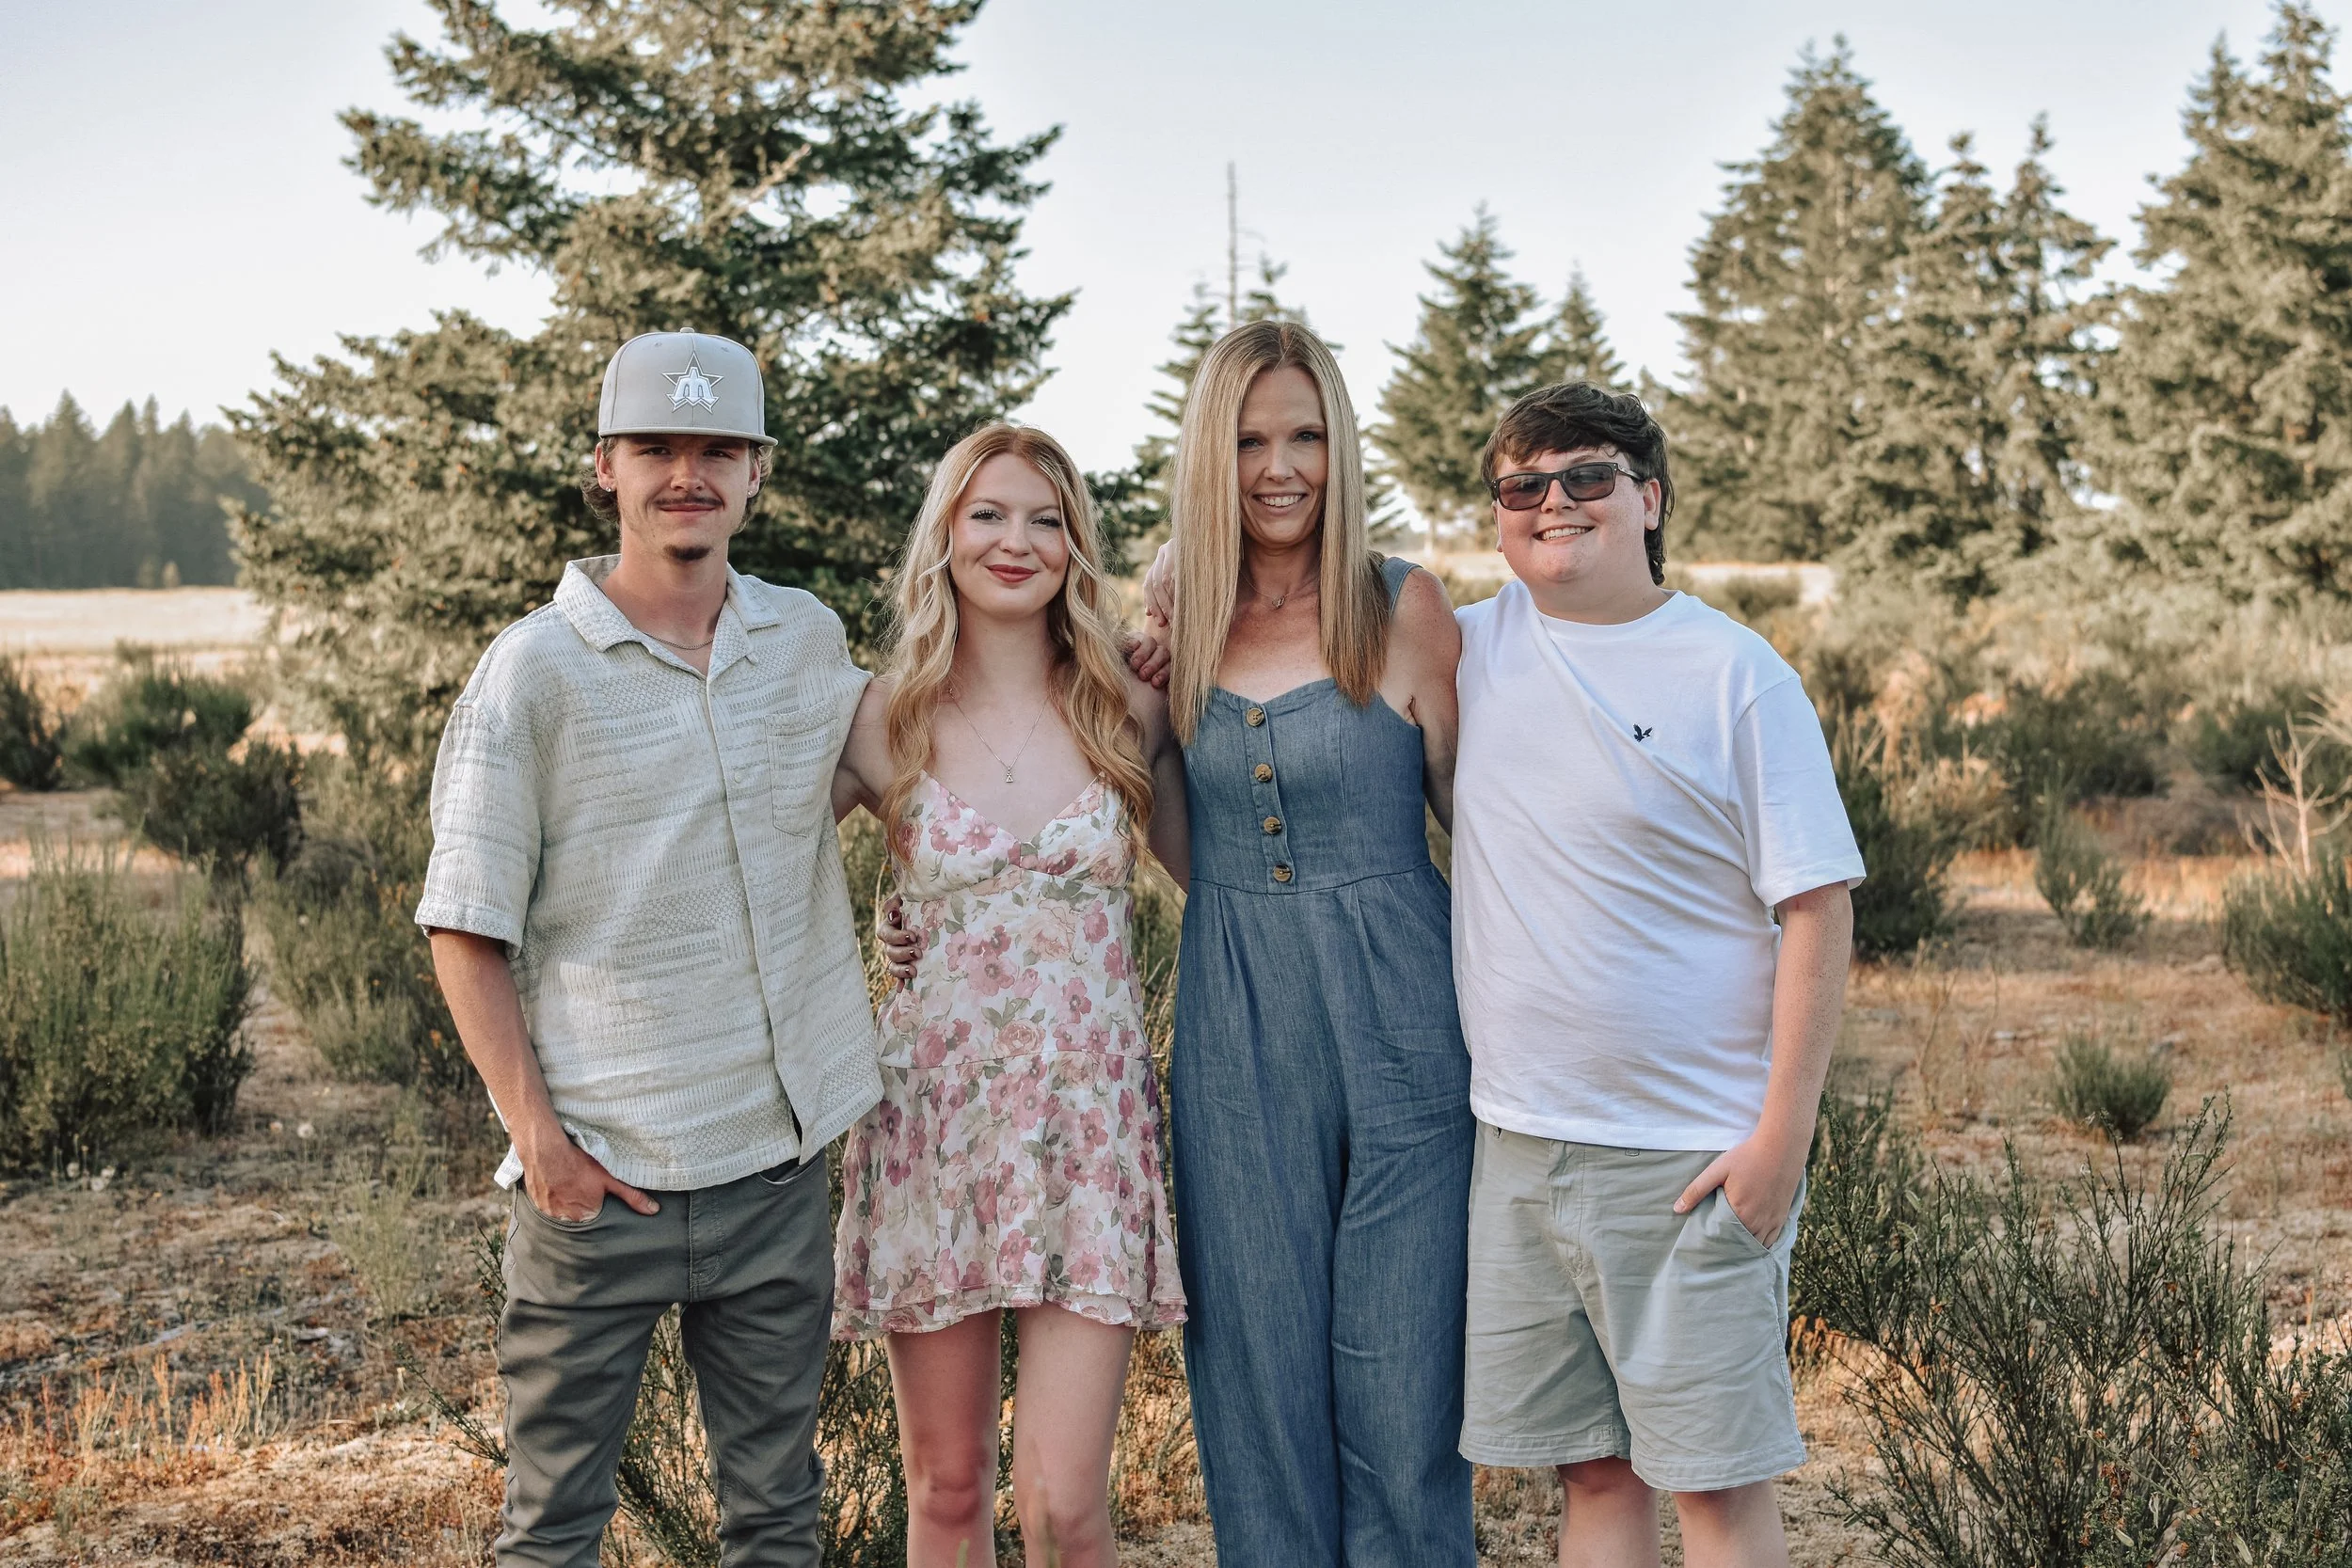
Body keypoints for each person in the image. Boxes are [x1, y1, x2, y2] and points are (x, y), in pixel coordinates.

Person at [417, 331, 879, 1568]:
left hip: (772, 1171)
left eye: (717, 448)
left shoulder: (805, 641)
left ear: (755, 472)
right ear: (604, 468)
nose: (689, 472)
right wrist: (542, 1146)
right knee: (554, 1527)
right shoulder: (533, 673)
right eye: (658, 449)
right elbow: (463, 924)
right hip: (598, 1182)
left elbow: (875, 766)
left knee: (778, 1519)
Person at [1449, 382, 1862, 1568]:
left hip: (1691, 1154)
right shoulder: (1471, 645)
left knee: (1718, 1487)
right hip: (1518, 1144)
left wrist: (1781, 1136)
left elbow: (1817, 908)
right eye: (1523, 485)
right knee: (1591, 1468)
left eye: (1586, 477)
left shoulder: (1734, 672)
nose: (1553, 504)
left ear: (1649, 497)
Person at [1139, 319, 1477, 1567]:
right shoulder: (1181, 624)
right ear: (1208, 456)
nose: (1281, 466)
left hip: (1407, 1025)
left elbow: (1485, 835)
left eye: (1306, 435)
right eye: (1248, 440)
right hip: (1236, 1025)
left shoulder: (1404, 606)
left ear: (1341, 444)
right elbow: (1179, 836)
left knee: (1401, 1389)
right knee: (1257, 1376)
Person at [830, 423, 1189, 1568]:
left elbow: (1226, 881)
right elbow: (749, 872)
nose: (1016, 540)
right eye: (988, 514)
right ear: (945, 534)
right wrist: (880, 935)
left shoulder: (1127, 709)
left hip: (1088, 1138)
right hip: (933, 1130)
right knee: (944, 1489)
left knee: (1064, 1501)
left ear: (1076, 548)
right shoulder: (880, 717)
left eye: (1046, 518)